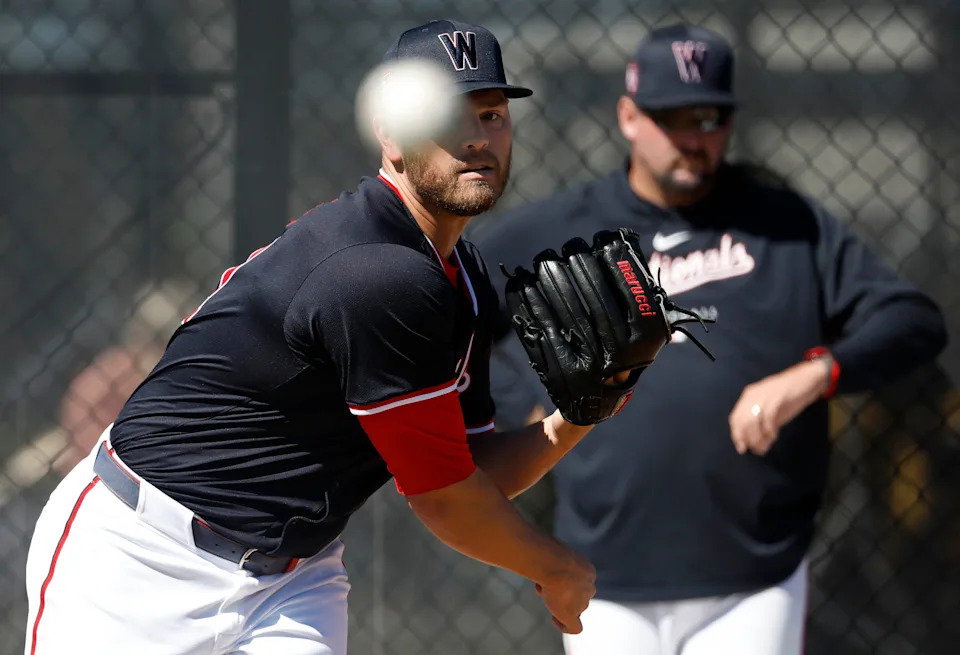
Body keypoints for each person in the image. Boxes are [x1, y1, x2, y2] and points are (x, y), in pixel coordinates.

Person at [23, 20, 610, 655]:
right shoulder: (379, 273)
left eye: (492, 114)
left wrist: (575, 417)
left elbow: (470, 478)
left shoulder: (455, 275)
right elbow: (444, 503)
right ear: (389, 133)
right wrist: (557, 568)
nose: (476, 138)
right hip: (139, 561)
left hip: (292, 579)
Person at [471, 23, 948, 655]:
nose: (695, 138)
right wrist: (515, 401)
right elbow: (452, 320)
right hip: (602, 571)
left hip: (753, 573)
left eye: (711, 117)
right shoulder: (560, 228)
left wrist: (816, 373)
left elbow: (912, 321)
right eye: (673, 118)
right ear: (629, 116)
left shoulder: (783, 225)